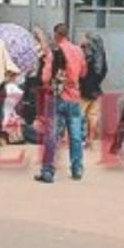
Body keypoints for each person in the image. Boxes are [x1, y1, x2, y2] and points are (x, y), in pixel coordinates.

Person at [35, 23, 86, 184]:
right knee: (76, 136)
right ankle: (77, 169)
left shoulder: (54, 53)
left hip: (57, 97)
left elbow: (45, 78)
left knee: (52, 135)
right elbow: (83, 72)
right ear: (67, 34)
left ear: (56, 35)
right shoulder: (78, 51)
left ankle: (48, 171)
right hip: (74, 98)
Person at [79, 32, 107, 144]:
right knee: (93, 116)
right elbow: (104, 72)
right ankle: (91, 138)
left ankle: (79, 138)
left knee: (79, 115)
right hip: (96, 89)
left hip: (84, 90)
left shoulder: (87, 56)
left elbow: (81, 71)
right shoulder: (102, 56)